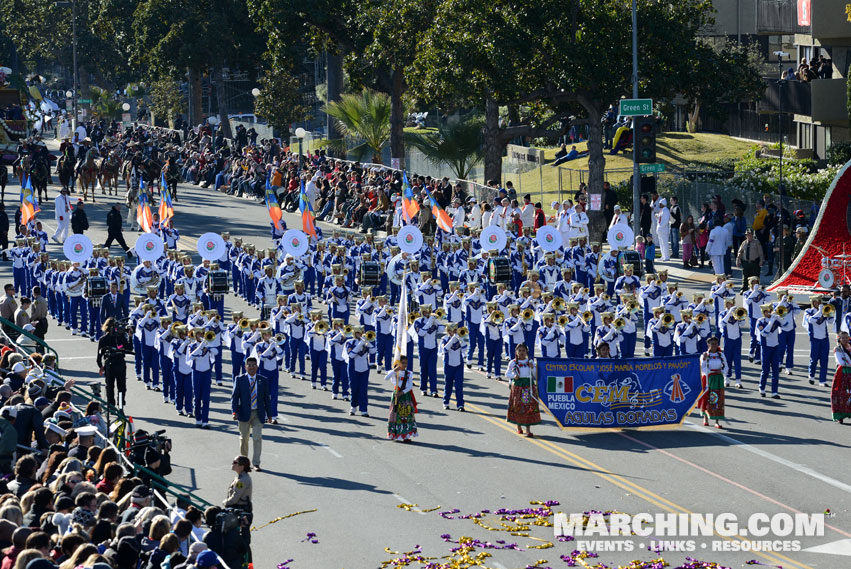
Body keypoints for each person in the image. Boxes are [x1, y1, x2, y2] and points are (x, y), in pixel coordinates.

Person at [231, 357, 273, 470]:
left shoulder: (263, 380)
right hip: (244, 413)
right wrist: (234, 412)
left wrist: (270, 415)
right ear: (245, 367)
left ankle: (256, 463)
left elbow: (266, 399)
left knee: (257, 437)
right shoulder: (239, 379)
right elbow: (234, 397)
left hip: (258, 414)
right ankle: (244, 463)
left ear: (257, 367)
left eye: (254, 365)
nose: (251, 367)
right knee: (244, 438)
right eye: (249, 365)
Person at [505, 343, 540, 437]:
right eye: (519, 350)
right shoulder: (513, 363)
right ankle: (519, 426)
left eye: (523, 350)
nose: (521, 352)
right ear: (516, 352)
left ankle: (528, 429)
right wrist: (513, 376)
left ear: (526, 352)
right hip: (517, 386)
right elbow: (507, 374)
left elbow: (535, 375)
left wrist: (532, 367)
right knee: (518, 406)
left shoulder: (530, 362)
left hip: (527, 387)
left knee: (527, 406)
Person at [96, 317, 130, 408]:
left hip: (109, 365)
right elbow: (129, 348)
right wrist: (128, 338)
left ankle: (111, 405)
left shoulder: (103, 339)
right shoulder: (120, 337)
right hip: (119, 364)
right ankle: (120, 404)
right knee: (121, 387)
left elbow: (99, 358)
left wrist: (101, 367)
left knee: (110, 387)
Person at [385, 356, 417, 442]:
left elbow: (410, 386)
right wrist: (394, 371)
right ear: (399, 363)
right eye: (402, 363)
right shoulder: (395, 373)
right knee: (396, 414)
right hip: (396, 396)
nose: (404, 365)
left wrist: (402, 392)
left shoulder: (409, 373)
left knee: (406, 414)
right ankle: (395, 433)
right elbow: (386, 378)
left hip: (405, 396)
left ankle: (406, 435)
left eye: (406, 363)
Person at [698, 337, 727, 428]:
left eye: (715, 344)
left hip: (718, 378)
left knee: (718, 399)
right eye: (712, 344)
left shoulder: (721, 355)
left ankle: (717, 421)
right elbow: (702, 368)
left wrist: (721, 371)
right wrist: (704, 360)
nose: (714, 345)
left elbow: (726, 367)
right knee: (708, 398)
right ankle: (705, 417)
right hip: (708, 378)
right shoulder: (704, 355)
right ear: (708, 345)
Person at [831, 331, 851, 424]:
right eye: (843, 338)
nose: (845, 339)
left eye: (846, 337)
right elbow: (841, 362)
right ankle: (840, 416)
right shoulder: (838, 349)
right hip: (842, 373)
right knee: (840, 395)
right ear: (839, 339)